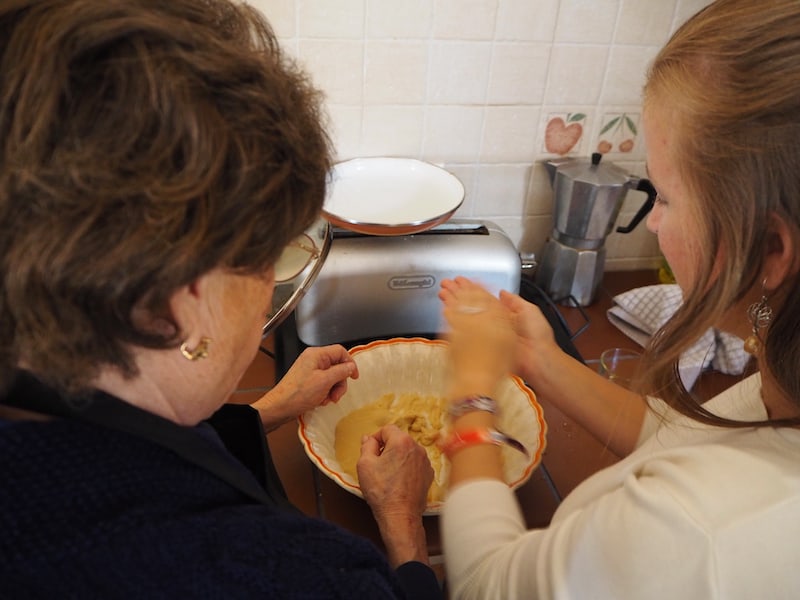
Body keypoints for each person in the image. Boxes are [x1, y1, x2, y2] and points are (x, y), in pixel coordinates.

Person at [0, 1, 440, 597]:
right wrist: (404, 530)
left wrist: (270, 410)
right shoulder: (287, 574)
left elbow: (123, 459)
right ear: (179, 306)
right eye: (267, 259)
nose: (268, 295)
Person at [431, 0, 800, 597]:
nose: (652, 223)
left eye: (668, 199)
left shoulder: (702, 529)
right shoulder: (785, 362)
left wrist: (472, 396)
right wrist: (541, 361)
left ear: (769, 249)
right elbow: (685, 436)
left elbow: (482, 584)